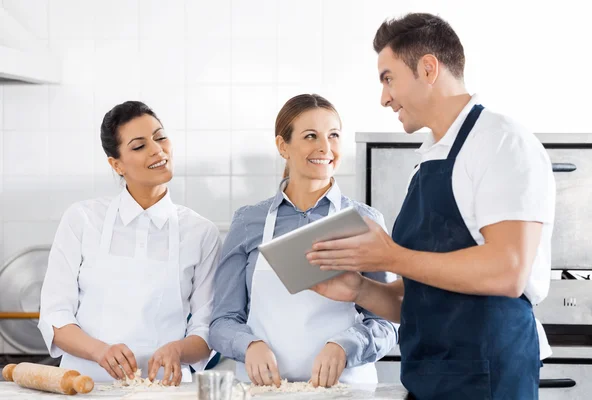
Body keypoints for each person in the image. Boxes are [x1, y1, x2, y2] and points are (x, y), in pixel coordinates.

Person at [307, 13, 555, 400]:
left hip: (487, 376)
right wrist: (359, 289)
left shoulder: (501, 142)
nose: (384, 97)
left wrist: (390, 255)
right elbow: (421, 295)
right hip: (430, 376)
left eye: (388, 78)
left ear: (427, 68)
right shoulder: (429, 159)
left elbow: (509, 271)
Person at [208, 94, 398, 388]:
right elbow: (222, 321)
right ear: (283, 146)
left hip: (345, 390)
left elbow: (388, 321)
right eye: (311, 136)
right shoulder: (249, 222)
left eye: (333, 135)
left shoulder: (365, 220)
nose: (325, 147)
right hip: (263, 392)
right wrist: (248, 345)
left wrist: (347, 345)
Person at [38, 101, 221, 385]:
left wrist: (178, 349)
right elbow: (55, 315)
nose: (157, 150)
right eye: (139, 146)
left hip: (165, 389)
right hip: (84, 385)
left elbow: (206, 328)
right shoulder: (82, 219)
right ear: (117, 164)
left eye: (160, 137)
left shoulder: (201, 232)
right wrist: (100, 351)